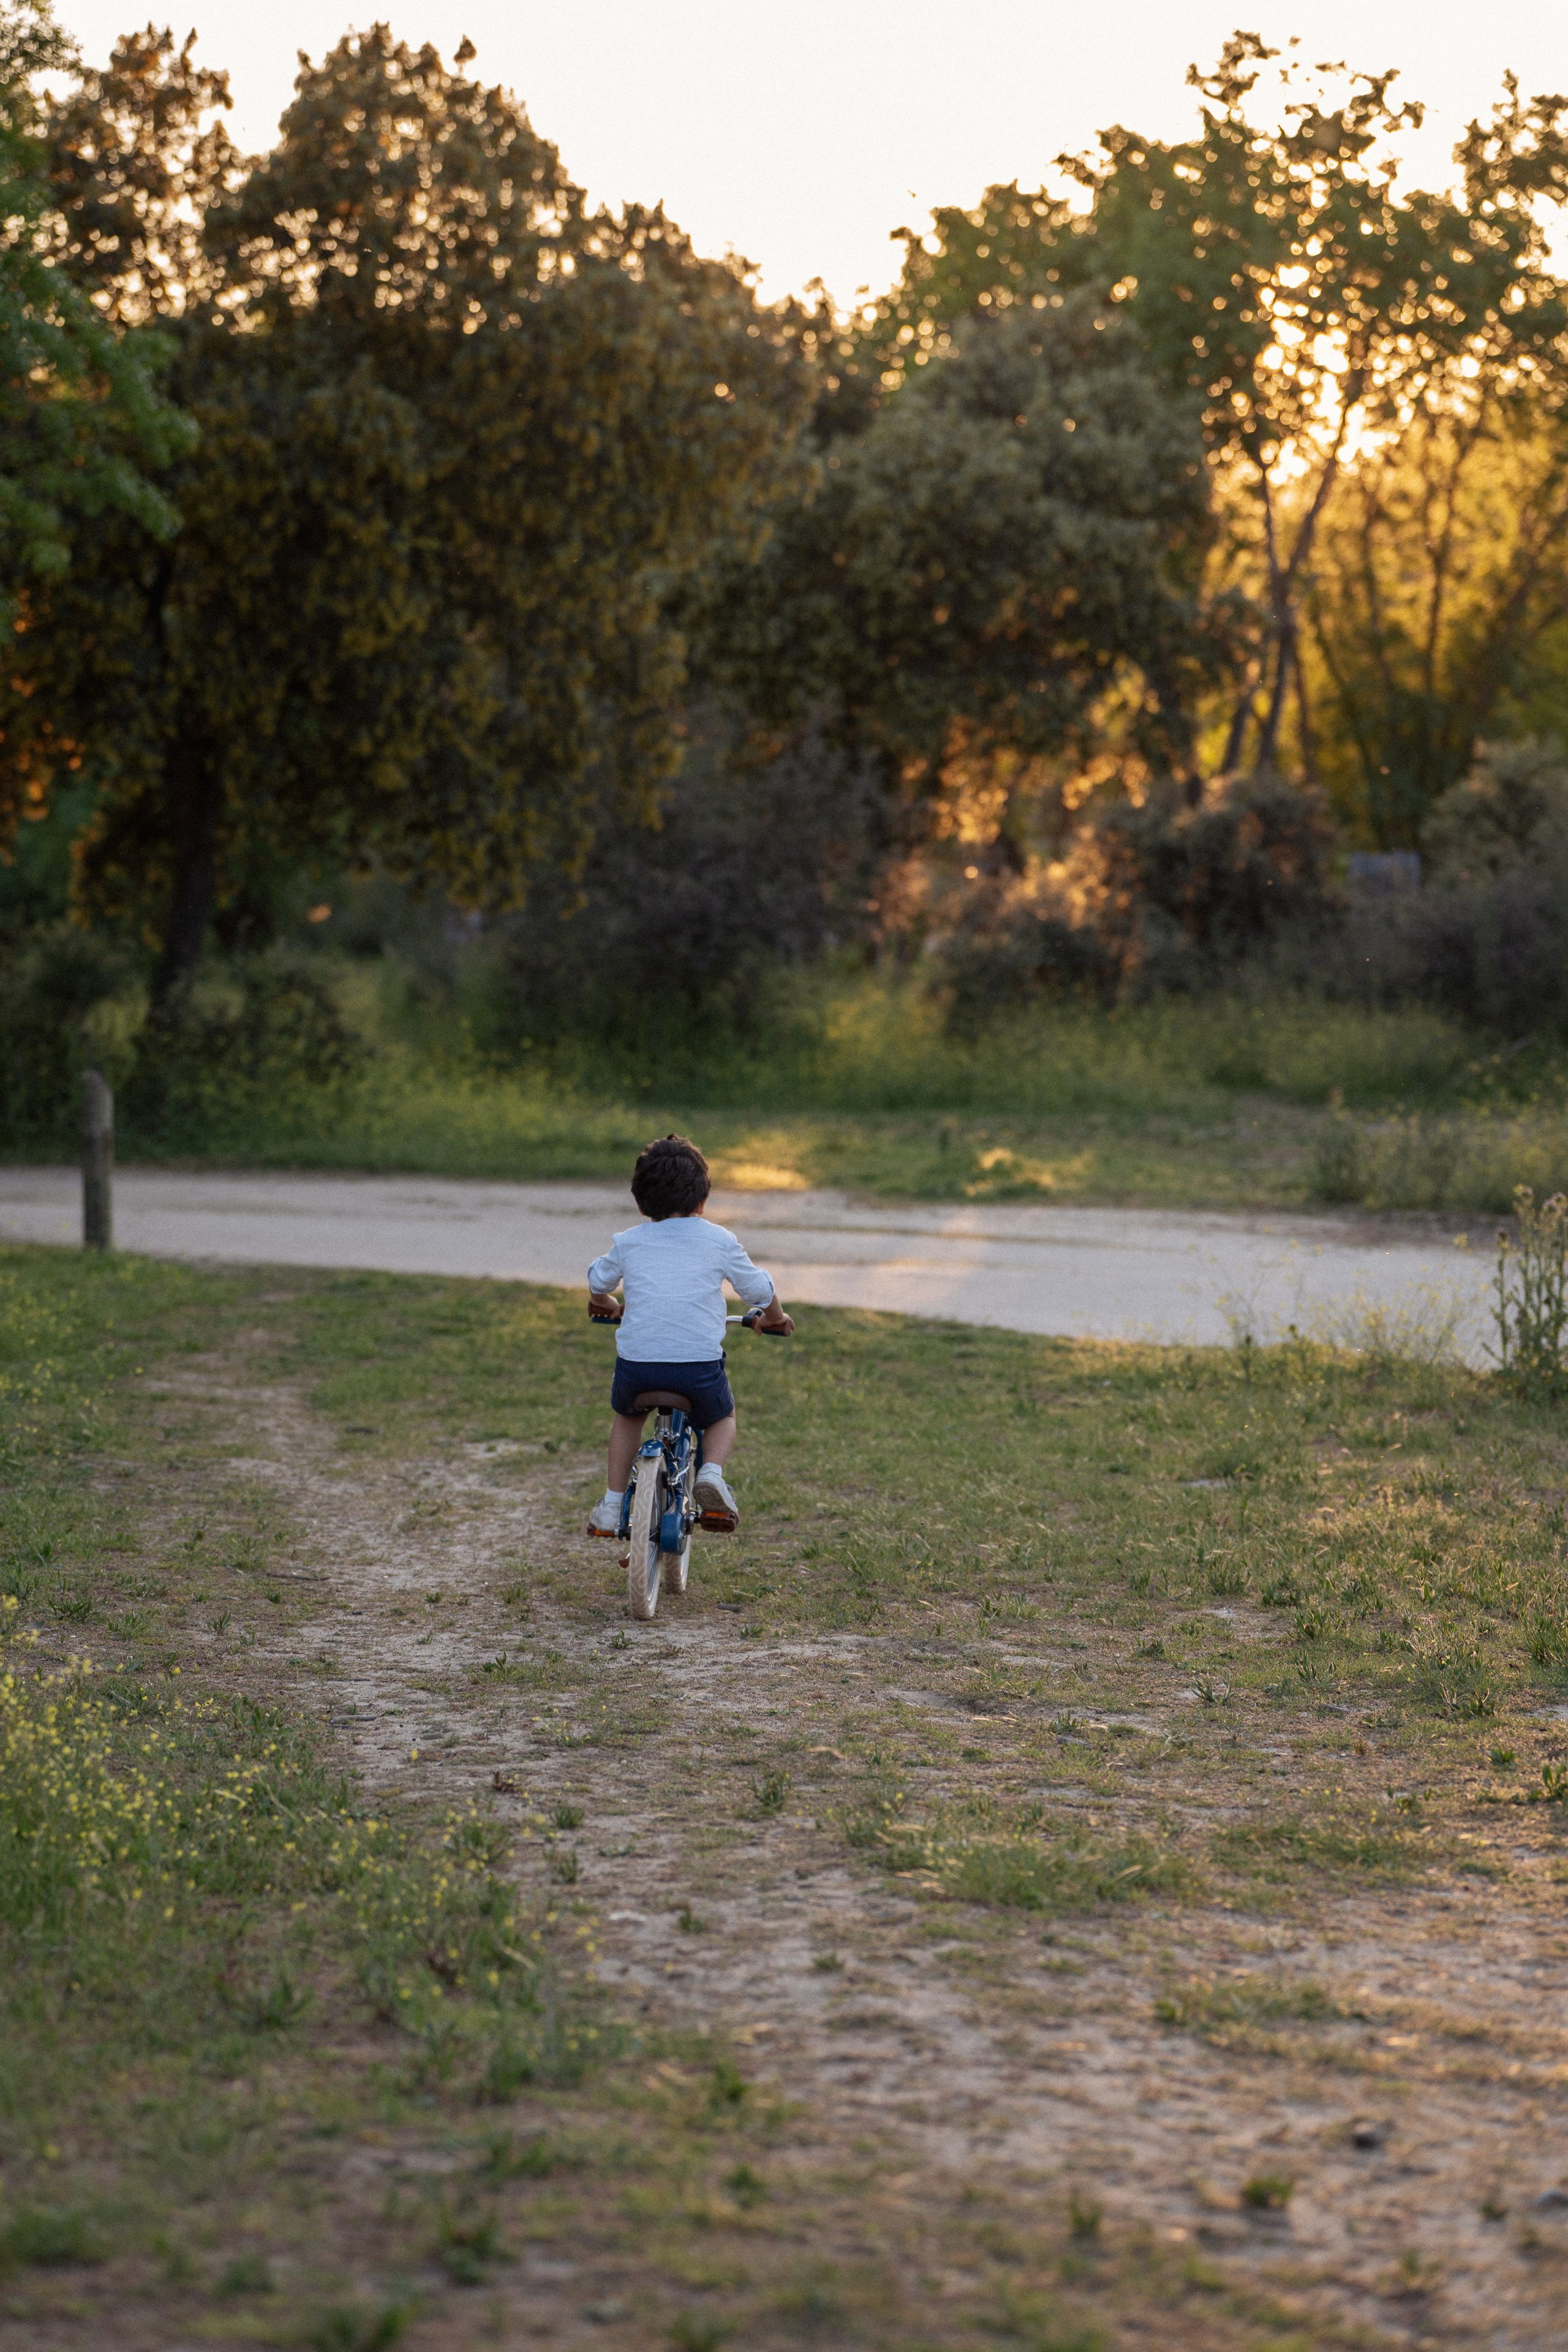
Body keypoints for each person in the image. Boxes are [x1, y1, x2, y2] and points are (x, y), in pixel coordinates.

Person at [585, 1133, 792, 1537]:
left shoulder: (628, 1242)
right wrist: (773, 1317)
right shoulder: (718, 1240)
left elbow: (597, 1279)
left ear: (641, 1202)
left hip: (638, 1368)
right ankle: (711, 1474)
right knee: (721, 1417)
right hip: (696, 1368)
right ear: (702, 1201)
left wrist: (606, 1303)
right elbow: (760, 1291)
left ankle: (611, 1506)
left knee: (628, 1418)